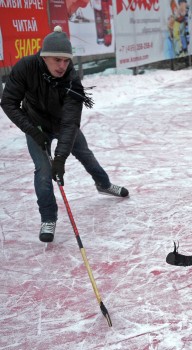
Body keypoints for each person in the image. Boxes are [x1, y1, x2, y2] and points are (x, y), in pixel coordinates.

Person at [0, 26, 129, 243]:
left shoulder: (72, 80)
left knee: (85, 154)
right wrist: (31, 130)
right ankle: (48, 218)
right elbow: (8, 102)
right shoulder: (26, 68)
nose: (62, 66)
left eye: (66, 61)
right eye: (57, 60)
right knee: (43, 171)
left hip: (62, 125)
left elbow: (70, 123)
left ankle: (103, 184)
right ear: (45, 57)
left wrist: (60, 158)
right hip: (35, 125)